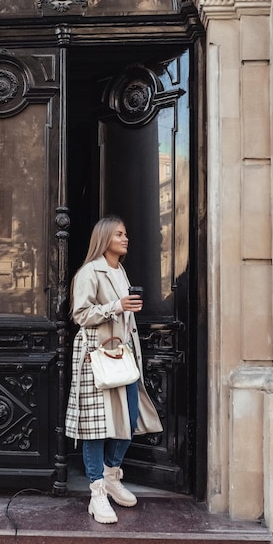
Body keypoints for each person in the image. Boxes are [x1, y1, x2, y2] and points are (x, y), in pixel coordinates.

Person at [65, 215, 163, 524]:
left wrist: (127, 309)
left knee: (129, 417)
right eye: (119, 233)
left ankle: (111, 474)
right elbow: (80, 314)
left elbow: (122, 312)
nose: (125, 238)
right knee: (96, 427)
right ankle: (97, 493)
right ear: (105, 238)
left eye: (125, 233)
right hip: (96, 358)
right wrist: (116, 307)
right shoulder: (89, 272)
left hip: (123, 357)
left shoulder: (120, 270)